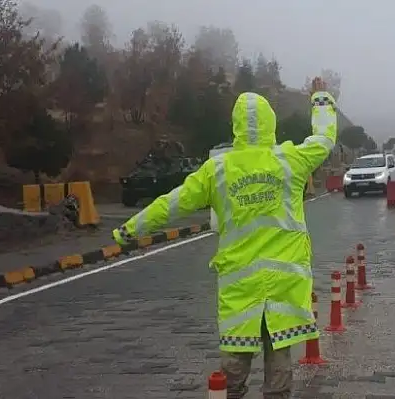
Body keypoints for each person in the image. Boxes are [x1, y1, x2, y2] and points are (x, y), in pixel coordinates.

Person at [112, 77, 337, 399]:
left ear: (235, 127)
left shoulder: (216, 170)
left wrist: (130, 229)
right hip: (285, 281)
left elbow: (172, 203)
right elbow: (325, 138)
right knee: (279, 361)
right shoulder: (291, 161)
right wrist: (320, 98)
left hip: (239, 284)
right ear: (271, 122)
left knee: (234, 365)